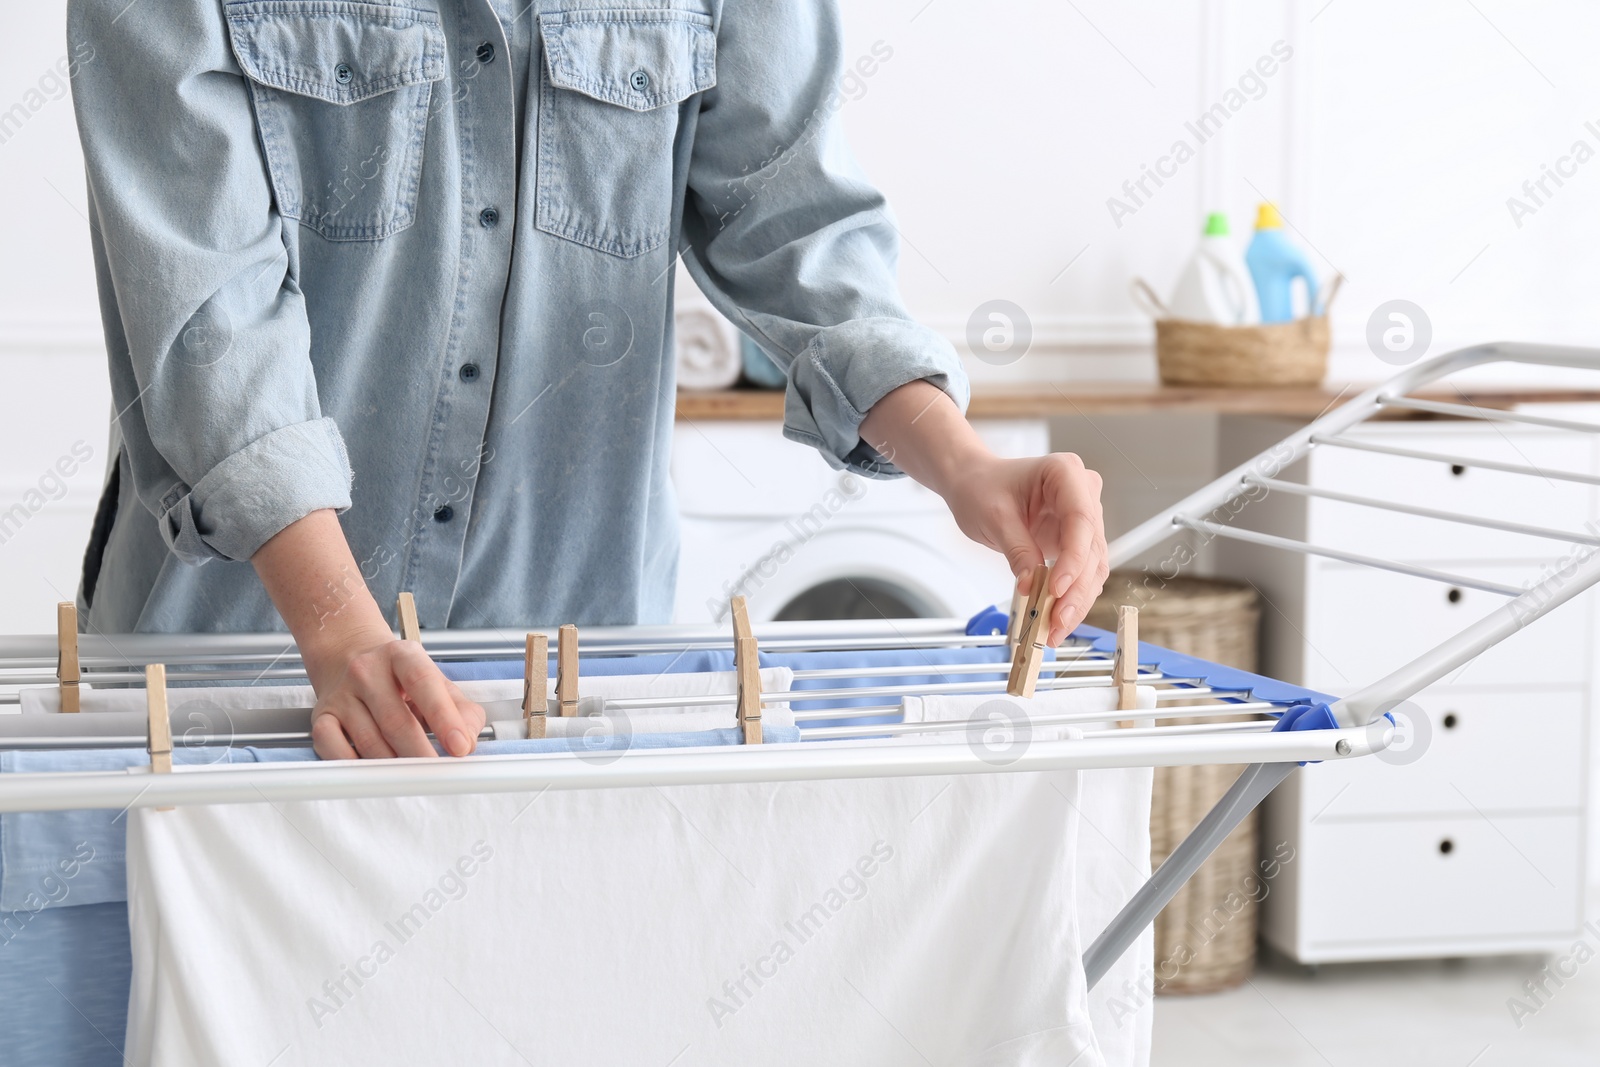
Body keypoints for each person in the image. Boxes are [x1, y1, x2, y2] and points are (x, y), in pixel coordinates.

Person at [67, 0, 1108, 759]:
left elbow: (793, 222)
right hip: (242, 669)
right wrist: (340, 623)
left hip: (579, 674)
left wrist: (962, 462)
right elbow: (209, 306)